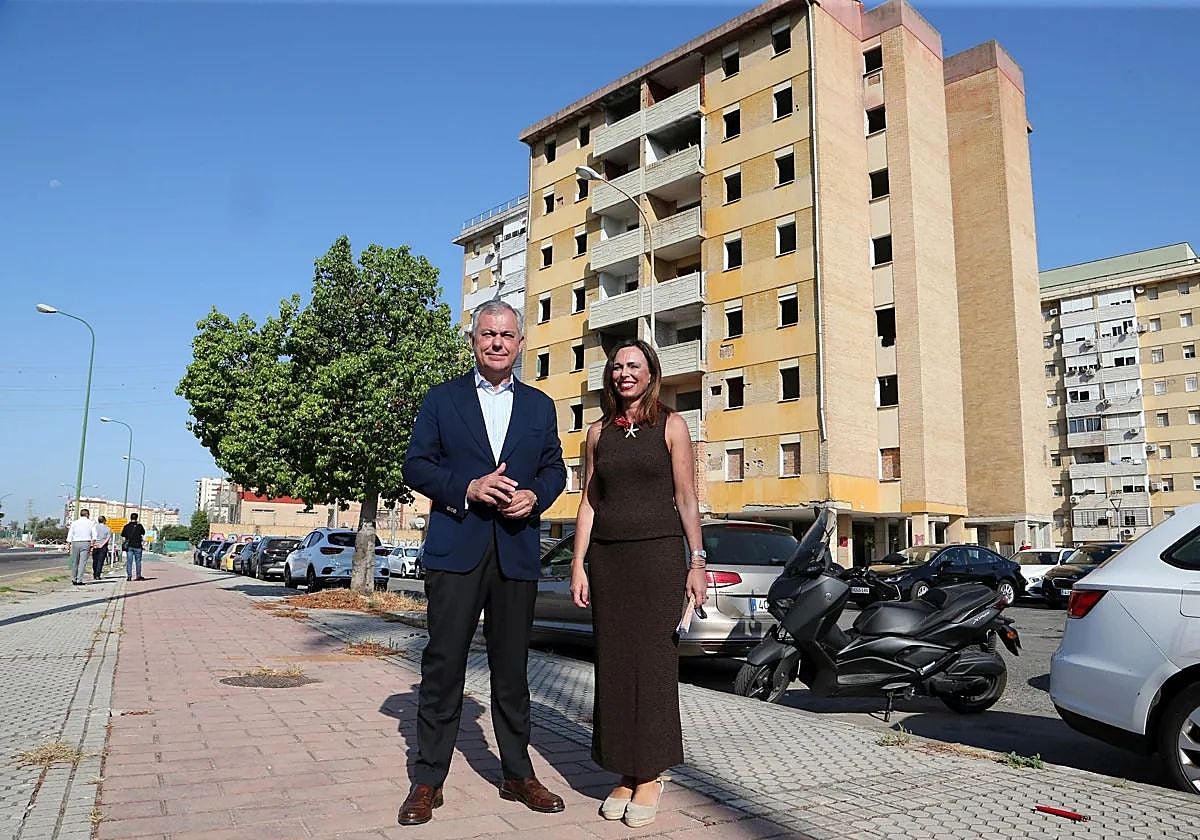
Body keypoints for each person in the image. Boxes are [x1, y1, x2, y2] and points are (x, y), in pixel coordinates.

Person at [399, 299, 567, 827]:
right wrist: (467, 487)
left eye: (507, 335)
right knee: (443, 665)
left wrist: (536, 496)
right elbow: (415, 465)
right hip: (457, 550)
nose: (497, 342)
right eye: (488, 334)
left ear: (520, 344)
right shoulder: (442, 399)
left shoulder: (540, 406)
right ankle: (428, 779)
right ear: (473, 341)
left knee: (512, 670)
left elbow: (555, 469)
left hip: (516, 552)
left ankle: (517, 774)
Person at [568, 338, 706, 828]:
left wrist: (696, 561)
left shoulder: (672, 425)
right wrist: (578, 562)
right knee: (614, 666)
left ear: (651, 374)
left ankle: (650, 774)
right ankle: (624, 771)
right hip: (609, 561)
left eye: (634, 366)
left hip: (658, 559)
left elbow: (686, 497)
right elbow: (590, 502)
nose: (624, 373)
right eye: (617, 366)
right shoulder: (597, 433)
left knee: (652, 666)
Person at [66, 508, 96, 586]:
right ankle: (79, 580)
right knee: (82, 562)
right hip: (86, 542)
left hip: (75, 542)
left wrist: (68, 544)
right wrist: (93, 543)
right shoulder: (91, 523)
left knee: (75, 562)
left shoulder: (74, 523)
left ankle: (74, 579)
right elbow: (94, 535)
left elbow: (70, 533)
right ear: (87, 514)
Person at [121, 513, 146, 581]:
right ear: (137, 518)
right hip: (138, 546)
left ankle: (129, 576)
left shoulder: (126, 526)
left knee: (129, 562)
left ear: (130, 518)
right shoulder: (139, 526)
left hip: (129, 546)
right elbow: (143, 533)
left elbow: (123, 535)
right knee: (138, 561)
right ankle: (138, 576)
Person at [91, 515, 113, 581]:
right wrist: (102, 544)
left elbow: (92, 536)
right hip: (103, 546)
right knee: (100, 561)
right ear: (104, 521)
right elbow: (107, 538)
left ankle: (94, 573)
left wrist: (93, 544)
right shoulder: (108, 528)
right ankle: (98, 575)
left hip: (95, 545)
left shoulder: (94, 527)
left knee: (95, 560)